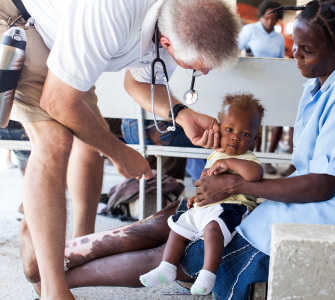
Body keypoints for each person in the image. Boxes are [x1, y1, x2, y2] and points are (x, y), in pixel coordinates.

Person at [20, 1, 335, 299]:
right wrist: (137, 146)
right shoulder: (318, 86)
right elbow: (113, 89)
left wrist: (239, 184)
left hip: (325, 218)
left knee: (181, 252)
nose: (296, 57)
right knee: (172, 217)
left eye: (306, 50)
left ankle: (62, 273)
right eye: (295, 47)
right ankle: (60, 257)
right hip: (301, 208)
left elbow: (321, 185)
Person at [1, 0, 241, 298]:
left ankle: (73, 246)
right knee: (55, 140)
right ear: (167, 42)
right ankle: (53, 287)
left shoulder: (171, 21)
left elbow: (138, 83)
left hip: (61, 34)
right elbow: (57, 102)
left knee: (89, 145)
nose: (200, 74)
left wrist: (182, 115)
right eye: (194, 67)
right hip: (20, 18)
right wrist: (121, 152)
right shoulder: (110, 10)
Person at [139, 93, 265, 295]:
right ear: (218, 130)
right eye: (230, 130)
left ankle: (208, 274)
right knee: (179, 227)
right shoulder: (215, 153)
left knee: (213, 231)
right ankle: (167, 266)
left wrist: (229, 163)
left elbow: (256, 175)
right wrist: (197, 197)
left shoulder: (248, 158)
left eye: (245, 134)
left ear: (254, 140)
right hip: (206, 207)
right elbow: (206, 182)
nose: (235, 137)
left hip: (231, 209)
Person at [238, 1, 293, 175]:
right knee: (254, 122)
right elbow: (236, 51)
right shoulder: (250, 30)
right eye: (268, 16)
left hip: (271, 82)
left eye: (275, 17)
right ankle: (251, 159)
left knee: (274, 120)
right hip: (252, 81)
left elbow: (278, 60)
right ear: (261, 15)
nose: (270, 21)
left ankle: (266, 158)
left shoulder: (278, 37)